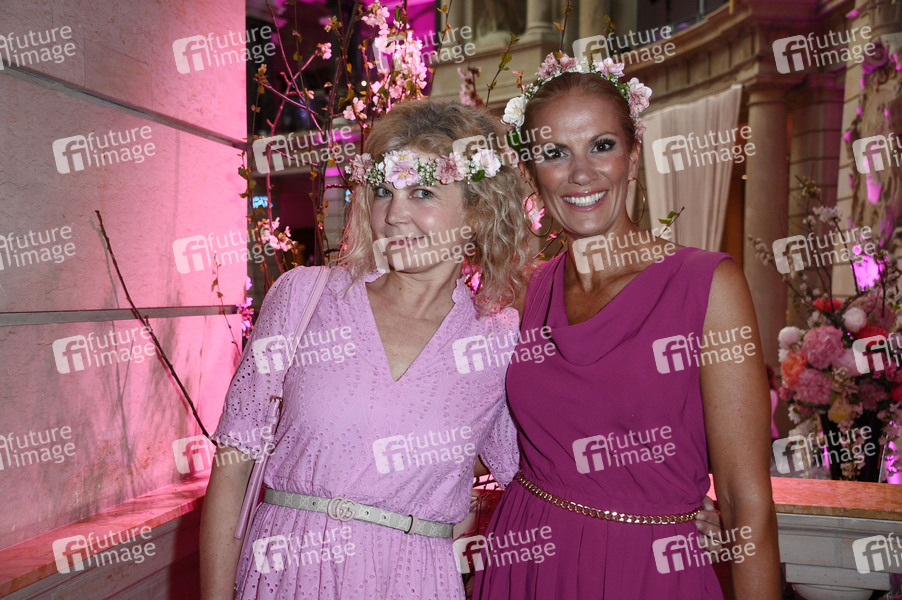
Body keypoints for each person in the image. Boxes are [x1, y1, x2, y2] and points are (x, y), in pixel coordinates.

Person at [472, 53, 781, 599]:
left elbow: (744, 500)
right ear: (529, 173)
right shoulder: (522, 293)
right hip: (528, 560)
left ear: (633, 157)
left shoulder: (707, 287)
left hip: (650, 571)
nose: (581, 173)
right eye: (555, 153)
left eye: (602, 145)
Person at [200, 99, 534, 600]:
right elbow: (233, 468)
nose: (394, 214)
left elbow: (538, 472)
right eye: (382, 191)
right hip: (286, 574)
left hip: (412, 583)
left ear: (477, 212)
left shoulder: (498, 340)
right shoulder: (305, 297)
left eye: (423, 192)